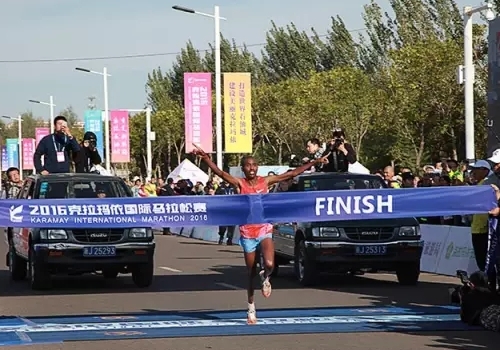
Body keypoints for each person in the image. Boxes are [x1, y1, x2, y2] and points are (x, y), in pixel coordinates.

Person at [192, 143, 326, 324]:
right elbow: (221, 174)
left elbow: (291, 174)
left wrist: (314, 161)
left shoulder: (265, 182)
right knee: (250, 272)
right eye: (248, 165)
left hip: (264, 229)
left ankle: (267, 277)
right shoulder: (240, 183)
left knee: (270, 263)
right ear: (243, 169)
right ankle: (251, 307)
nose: (252, 168)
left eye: (254, 165)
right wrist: (206, 158)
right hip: (247, 233)